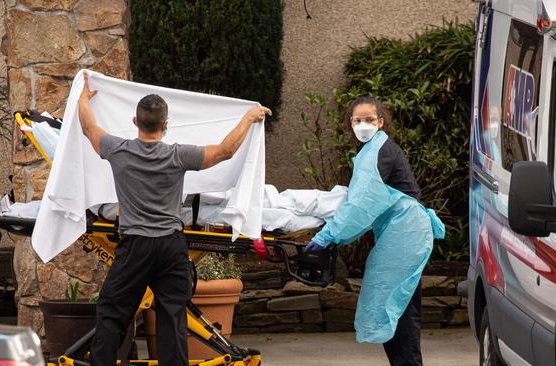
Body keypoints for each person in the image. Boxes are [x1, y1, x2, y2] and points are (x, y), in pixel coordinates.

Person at [78, 71, 271, 366]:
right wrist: (248, 117)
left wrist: (83, 96)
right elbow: (225, 151)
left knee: (113, 312)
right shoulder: (178, 155)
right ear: (166, 126)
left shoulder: (117, 150)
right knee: (172, 318)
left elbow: (88, 127)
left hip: (135, 248)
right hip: (170, 248)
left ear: (135, 122)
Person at [306, 96, 444, 366]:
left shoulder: (378, 152)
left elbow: (360, 206)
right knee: (396, 306)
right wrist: (334, 232)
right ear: (350, 124)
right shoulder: (374, 151)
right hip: (404, 234)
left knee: (399, 311)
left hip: (404, 235)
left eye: (369, 119)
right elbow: (365, 206)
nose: (363, 125)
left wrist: (327, 236)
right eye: (357, 120)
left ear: (381, 122)